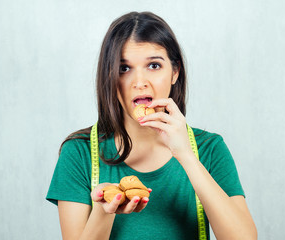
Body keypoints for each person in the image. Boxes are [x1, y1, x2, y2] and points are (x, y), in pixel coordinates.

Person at [46, 11, 257, 240]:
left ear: (175, 72)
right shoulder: (79, 153)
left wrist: (186, 155)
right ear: (109, 76)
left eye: (154, 66)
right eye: (123, 68)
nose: (139, 82)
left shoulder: (209, 149)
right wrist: (103, 210)